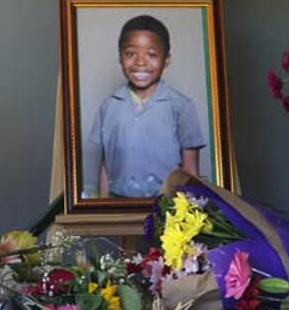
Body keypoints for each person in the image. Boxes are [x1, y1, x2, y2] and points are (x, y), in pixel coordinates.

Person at [82, 14, 207, 198]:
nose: (140, 62)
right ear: (120, 58)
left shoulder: (181, 107)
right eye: (130, 54)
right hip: (118, 204)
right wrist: (103, 205)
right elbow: (105, 167)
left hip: (166, 206)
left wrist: (187, 210)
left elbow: (190, 172)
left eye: (151, 54)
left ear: (167, 59)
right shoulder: (108, 107)